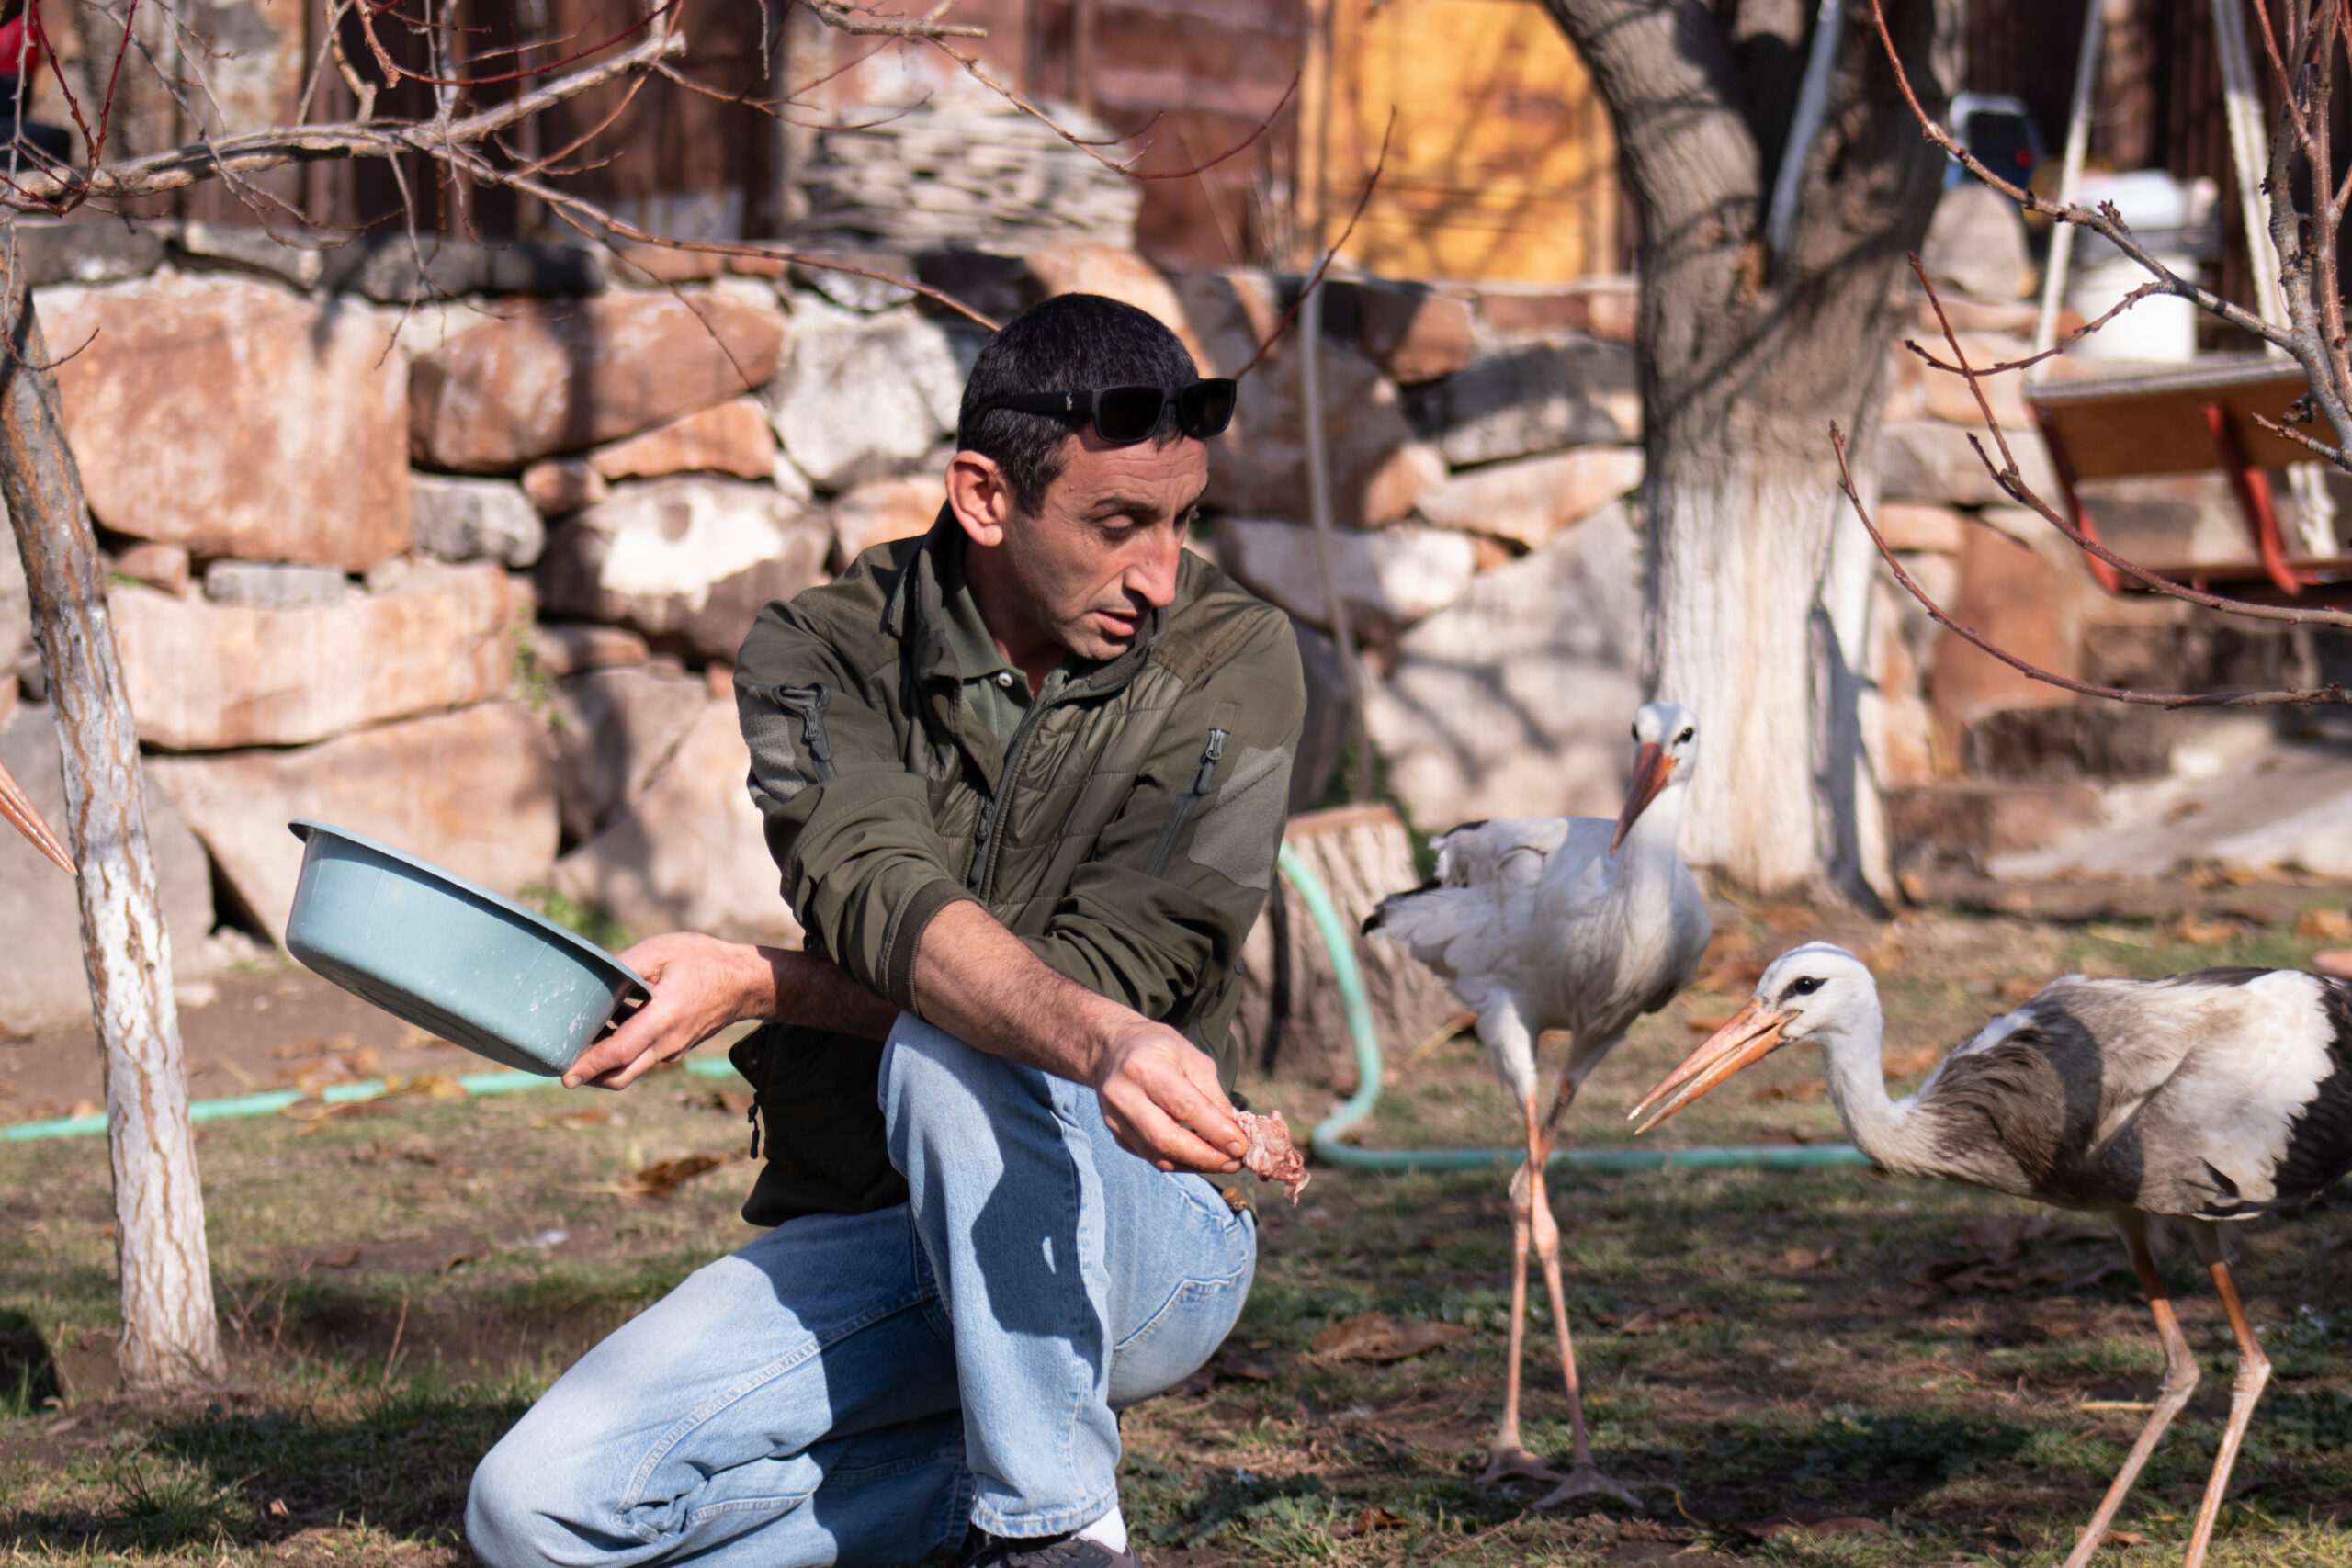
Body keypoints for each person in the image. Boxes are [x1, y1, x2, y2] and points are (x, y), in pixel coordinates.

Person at [466, 292, 1306, 1568]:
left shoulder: (1232, 658)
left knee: (962, 1048)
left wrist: (759, 981)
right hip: (901, 1233)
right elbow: (877, 890)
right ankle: (968, 1508)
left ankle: (1056, 1532)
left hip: (1146, 1235)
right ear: (983, 497)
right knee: (535, 1511)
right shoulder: (821, 655)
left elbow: (1097, 987)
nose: (1162, 574)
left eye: (1183, 522)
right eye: (1119, 524)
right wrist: (788, 979)